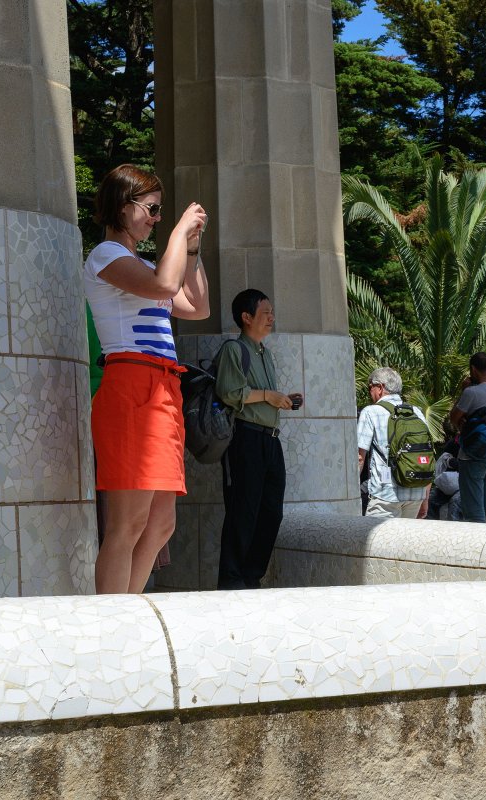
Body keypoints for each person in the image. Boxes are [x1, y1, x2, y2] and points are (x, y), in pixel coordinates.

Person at [83, 164, 209, 594]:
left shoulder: (144, 263)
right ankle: (110, 622)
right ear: (124, 205)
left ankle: (127, 612)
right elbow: (162, 287)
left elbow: (196, 306)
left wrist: (191, 248)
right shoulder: (106, 256)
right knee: (128, 524)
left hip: (162, 391)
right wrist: (178, 233)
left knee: (160, 524)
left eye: (160, 212)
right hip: (131, 385)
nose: (156, 218)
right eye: (151, 208)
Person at [214, 289, 300, 590]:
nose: (271, 318)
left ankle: (252, 577)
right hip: (245, 438)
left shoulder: (266, 353)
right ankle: (232, 579)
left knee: (270, 512)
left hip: (270, 440)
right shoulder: (234, 351)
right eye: (266, 313)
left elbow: (258, 397)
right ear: (246, 317)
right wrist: (268, 396)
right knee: (243, 510)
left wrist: (282, 400)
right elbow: (229, 392)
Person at [358, 367, 429, 518]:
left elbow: (360, 458)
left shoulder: (371, 412)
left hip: (385, 495)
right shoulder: (416, 412)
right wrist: (425, 498)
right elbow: (427, 455)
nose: (370, 392)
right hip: (415, 494)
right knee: (404, 541)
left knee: (375, 541)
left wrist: (352, 495)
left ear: (380, 387)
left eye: (370, 387)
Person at [448, 352, 486, 524]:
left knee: (474, 512)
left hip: (471, 457)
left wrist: (463, 391)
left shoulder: (471, 392)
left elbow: (453, 417)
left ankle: (478, 549)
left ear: (473, 369)